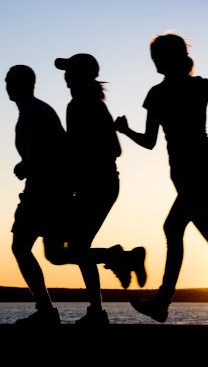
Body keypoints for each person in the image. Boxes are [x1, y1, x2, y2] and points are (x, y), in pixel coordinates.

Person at [115, 34, 208, 323]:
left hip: (202, 166)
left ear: (172, 58)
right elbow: (150, 141)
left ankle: (162, 301)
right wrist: (126, 130)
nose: (154, 62)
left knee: (172, 227)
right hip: (180, 171)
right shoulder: (156, 94)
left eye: (157, 56)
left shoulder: (198, 86)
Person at [52, 53, 146, 325]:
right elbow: (114, 149)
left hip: (94, 184)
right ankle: (98, 308)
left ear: (79, 76)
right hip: (103, 183)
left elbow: (75, 151)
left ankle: (120, 260)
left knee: (66, 252)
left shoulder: (78, 105)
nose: (65, 76)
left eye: (69, 71)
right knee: (76, 249)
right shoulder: (96, 105)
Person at [6, 64, 70, 326]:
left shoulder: (37, 111)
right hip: (40, 189)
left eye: (12, 81)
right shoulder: (29, 113)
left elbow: (59, 148)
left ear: (28, 84)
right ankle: (117, 256)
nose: (8, 86)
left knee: (22, 247)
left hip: (46, 191)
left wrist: (28, 164)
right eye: (7, 81)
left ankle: (46, 310)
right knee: (56, 253)